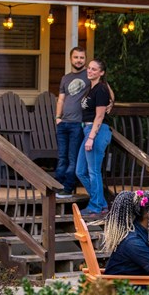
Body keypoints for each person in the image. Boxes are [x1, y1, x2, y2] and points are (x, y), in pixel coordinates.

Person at [75, 59, 112, 218]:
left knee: (93, 171)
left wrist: (91, 138)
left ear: (101, 73)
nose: (90, 71)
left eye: (94, 69)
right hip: (88, 130)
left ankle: (96, 207)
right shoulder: (91, 88)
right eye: (89, 68)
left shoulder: (101, 89)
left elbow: (100, 116)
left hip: (97, 131)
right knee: (80, 171)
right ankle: (102, 203)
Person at [54, 47, 88, 199]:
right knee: (62, 157)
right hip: (63, 123)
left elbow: (106, 89)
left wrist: (110, 103)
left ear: (85, 59)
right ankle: (58, 186)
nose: (79, 60)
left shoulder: (89, 75)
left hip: (78, 124)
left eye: (81, 57)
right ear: (70, 59)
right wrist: (57, 117)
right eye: (76, 57)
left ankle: (67, 188)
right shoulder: (65, 78)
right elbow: (61, 99)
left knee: (72, 157)